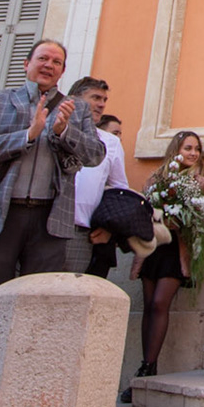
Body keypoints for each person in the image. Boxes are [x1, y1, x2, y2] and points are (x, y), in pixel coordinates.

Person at [0, 39, 104, 287]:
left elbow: (96, 155)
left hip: (51, 217)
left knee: (38, 296)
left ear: (62, 71)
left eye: (56, 62)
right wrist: (27, 136)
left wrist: (64, 132)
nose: (49, 65)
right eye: (43, 58)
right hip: (4, 213)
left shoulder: (77, 108)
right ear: (26, 63)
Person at [126, 130, 204, 400]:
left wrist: (185, 221)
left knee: (159, 303)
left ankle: (147, 366)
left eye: (197, 149)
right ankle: (147, 367)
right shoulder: (159, 176)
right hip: (154, 247)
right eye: (188, 148)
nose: (193, 153)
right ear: (176, 150)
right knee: (148, 306)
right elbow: (144, 206)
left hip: (178, 249)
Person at [67, 77, 129, 277]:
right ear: (74, 99)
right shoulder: (54, 129)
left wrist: (109, 228)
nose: (102, 104)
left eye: (104, 100)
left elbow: (119, 192)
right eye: (95, 98)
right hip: (42, 229)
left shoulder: (110, 142)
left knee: (71, 291)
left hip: (81, 233)